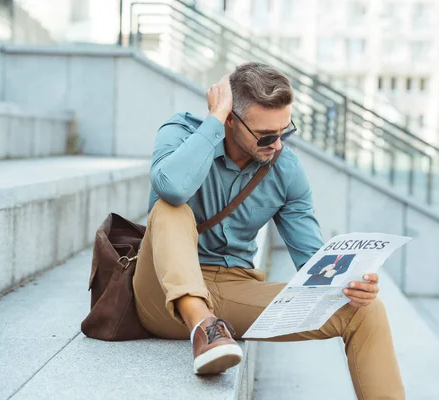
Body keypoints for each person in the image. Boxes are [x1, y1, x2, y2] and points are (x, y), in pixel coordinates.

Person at [132, 62, 404, 399]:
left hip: (234, 292)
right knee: (170, 208)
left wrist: (351, 283)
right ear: (231, 117)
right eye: (266, 136)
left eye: (284, 131)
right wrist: (215, 119)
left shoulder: (285, 169)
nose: (276, 144)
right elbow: (171, 187)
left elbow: (313, 264)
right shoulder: (182, 132)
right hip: (163, 294)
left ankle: (213, 327)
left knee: (366, 311)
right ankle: (203, 326)